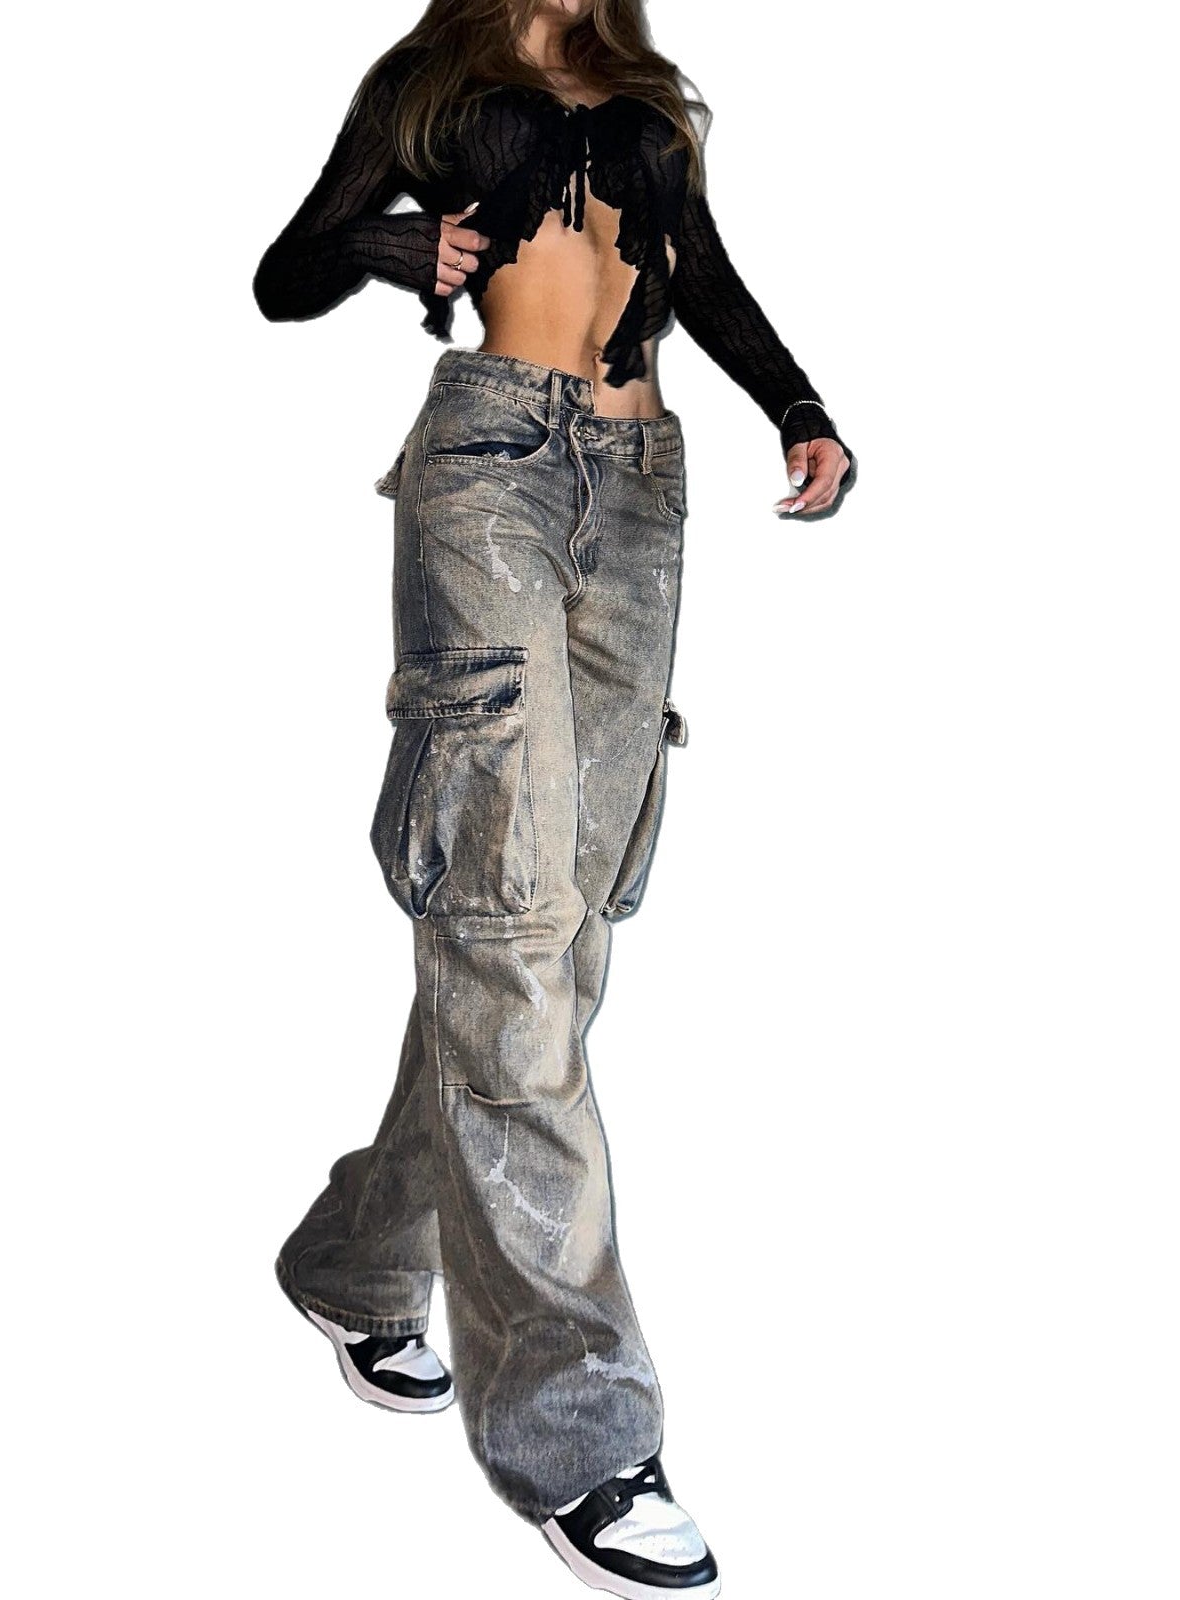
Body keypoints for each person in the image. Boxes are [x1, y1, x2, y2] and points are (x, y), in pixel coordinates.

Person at [252, 3, 855, 1594]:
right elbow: (287, 271)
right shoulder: (430, 80)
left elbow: (698, 272)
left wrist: (798, 406)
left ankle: (358, 1264)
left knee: (556, 942)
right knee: (508, 929)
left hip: (643, 488)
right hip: (492, 469)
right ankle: (583, 1432)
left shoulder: (644, 87)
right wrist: (398, 245)